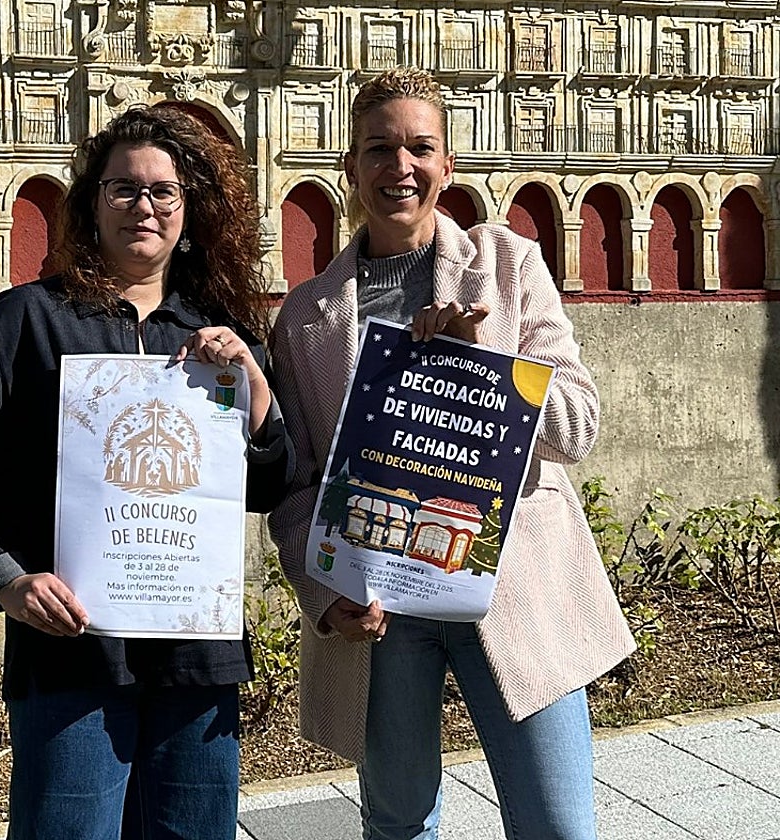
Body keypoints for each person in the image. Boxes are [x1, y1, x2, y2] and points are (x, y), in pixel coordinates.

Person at [267, 67, 635, 840]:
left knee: (559, 827)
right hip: (382, 604)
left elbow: (577, 428)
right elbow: (297, 485)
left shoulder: (509, 264)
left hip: (511, 586)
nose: (399, 167)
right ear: (351, 165)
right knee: (399, 826)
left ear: (448, 164)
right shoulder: (305, 316)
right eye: (379, 148)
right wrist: (323, 592)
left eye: (419, 148)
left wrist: (486, 372)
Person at [0, 105, 292, 840]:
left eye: (163, 191)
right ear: (93, 204)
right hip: (72, 645)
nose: (143, 206)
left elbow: (268, 487)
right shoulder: (30, 318)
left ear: (190, 210)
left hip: (195, 655)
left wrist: (253, 386)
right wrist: (5, 577)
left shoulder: (222, 333)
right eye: (123, 188)